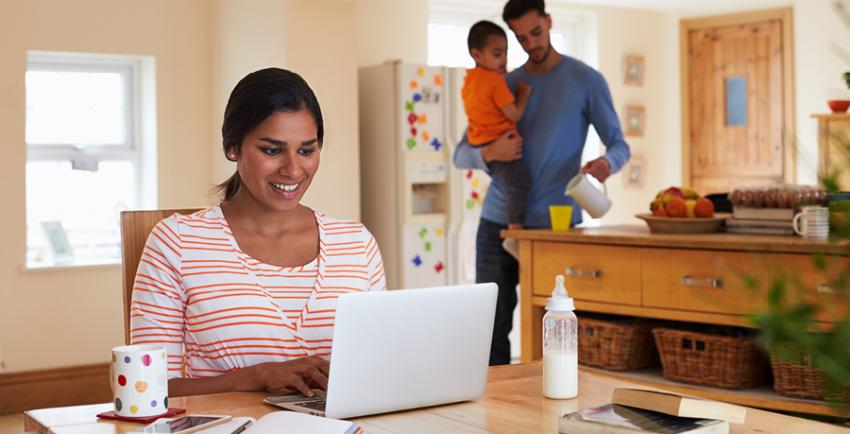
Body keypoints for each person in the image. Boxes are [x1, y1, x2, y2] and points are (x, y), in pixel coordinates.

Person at [130, 68, 386, 397]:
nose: (293, 169)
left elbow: (379, 368)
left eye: (306, 150)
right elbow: (144, 388)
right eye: (271, 150)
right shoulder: (176, 242)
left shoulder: (356, 244)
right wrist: (252, 377)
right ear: (233, 147)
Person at [453, 0, 631, 365]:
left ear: (549, 22)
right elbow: (460, 154)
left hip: (556, 225)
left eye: (536, 32)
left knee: (558, 329)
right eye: (521, 38)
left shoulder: (585, 80)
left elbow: (620, 144)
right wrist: (490, 154)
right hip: (497, 223)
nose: (531, 43)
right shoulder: (505, 82)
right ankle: (494, 413)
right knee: (490, 326)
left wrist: (606, 162)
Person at [462, 20, 532, 258]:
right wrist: (522, 94)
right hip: (503, 144)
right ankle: (514, 234)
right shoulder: (494, 80)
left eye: (505, 53)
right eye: (497, 54)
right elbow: (514, 113)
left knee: (511, 183)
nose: (503, 60)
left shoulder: (468, 81)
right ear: (477, 54)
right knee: (520, 183)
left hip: (480, 142)